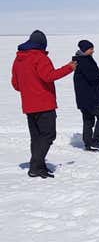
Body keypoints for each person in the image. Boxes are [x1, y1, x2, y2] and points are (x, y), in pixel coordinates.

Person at [11, 30, 76, 178]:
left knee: (37, 137)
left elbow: (16, 84)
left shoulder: (19, 59)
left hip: (28, 105)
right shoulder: (40, 57)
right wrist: (69, 68)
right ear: (42, 44)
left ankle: (39, 166)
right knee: (48, 135)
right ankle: (35, 166)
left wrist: (29, 88)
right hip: (44, 104)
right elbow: (49, 76)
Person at [73, 40, 99, 152]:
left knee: (88, 120)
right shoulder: (83, 61)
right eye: (91, 49)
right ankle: (96, 141)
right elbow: (92, 76)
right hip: (90, 98)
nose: (93, 51)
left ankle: (88, 143)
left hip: (83, 98)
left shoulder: (81, 60)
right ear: (85, 50)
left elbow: (91, 75)